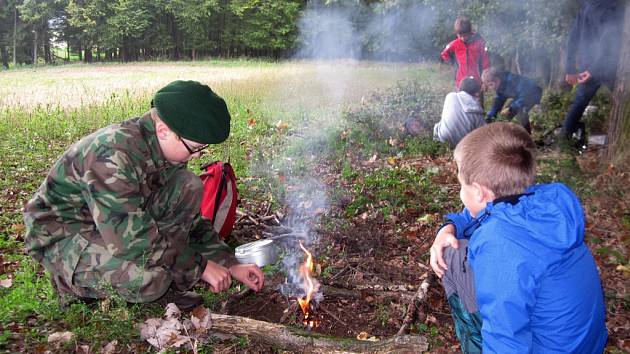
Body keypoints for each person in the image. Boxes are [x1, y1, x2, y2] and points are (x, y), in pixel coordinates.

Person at [24, 80, 264, 311]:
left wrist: (229, 262)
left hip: (110, 224)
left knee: (188, 185)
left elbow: (193, 225)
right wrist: (199, 267)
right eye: (195, 148)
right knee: (151, 279)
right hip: (63, 232)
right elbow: (130, 240)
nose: (198, 156)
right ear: (163, 130)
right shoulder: (112, 154)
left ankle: (165, 268)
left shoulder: (161, 148)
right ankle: (70, 282)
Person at [428, 122, 607, 353]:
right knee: (457, 245)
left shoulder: (500, 243)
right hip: (585, 346)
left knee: (452, 255)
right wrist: (448, 228)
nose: (460, 192)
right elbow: (476, 216)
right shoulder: (541, 201)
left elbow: (506, 337)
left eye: (461, 185)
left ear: (479, 191)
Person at [562, 0, 623, 144]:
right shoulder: (613, 7)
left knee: (580, 102)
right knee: (624, 97)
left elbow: (572, 39)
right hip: (606, 64)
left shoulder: (586, 6)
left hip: (589, 63)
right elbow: (608, 41)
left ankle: (562, 142)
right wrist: (593, 69)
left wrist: (570, 69)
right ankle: (562, 141)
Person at [482, 67, 542, 134]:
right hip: (519, 97)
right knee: (505, 116)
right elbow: (498, 101)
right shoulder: (501, 85)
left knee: (521, 112)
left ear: (497, 80)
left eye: (491, 85)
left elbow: (525, 95)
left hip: (533, 94)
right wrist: (490, 116)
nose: (491, 88)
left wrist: (511, 108)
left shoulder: (512, 80)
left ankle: (527, 135)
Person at [433, 76, 486, 147]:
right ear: (476, 93)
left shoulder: (450, 96)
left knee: (439, 124)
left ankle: (436, 146)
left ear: (460, 89)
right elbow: (484, 132)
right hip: (463, 145)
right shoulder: (477, 110)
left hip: (443, 139)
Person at [440, 16, 490, 90]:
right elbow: (444, 54)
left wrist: (485, 81)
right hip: (460, 81)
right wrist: (452, 63)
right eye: (460, 36)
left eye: (465, 35)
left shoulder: (479, 43)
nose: (463, 38)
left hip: (476, 81)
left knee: (477, 101)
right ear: (457, 34)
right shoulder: (455, 44)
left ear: (470, 32)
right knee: (460, 100)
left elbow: (486, 62)